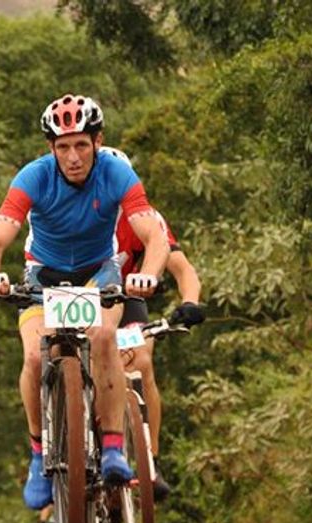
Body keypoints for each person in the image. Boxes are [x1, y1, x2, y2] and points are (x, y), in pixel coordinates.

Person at [0, 94, 169, 510]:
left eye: (81, 144)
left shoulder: (116, 172)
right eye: (63, 147)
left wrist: (149, 274)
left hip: (99, 273)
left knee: (103, 337)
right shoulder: (34, 176)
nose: (73, 156)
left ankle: (113, 447)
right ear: (51, 148)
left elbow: (154, 236)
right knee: (33, 356)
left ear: (98, 141)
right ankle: (38, 452)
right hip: (43, 276)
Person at [103, 147, 205, 500]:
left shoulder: (145, 218)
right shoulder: (75, 213)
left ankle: (150, 458)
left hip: (127, 299)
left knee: (142, 362)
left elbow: (182, 269)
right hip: (84, 298)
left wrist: (189, 301)